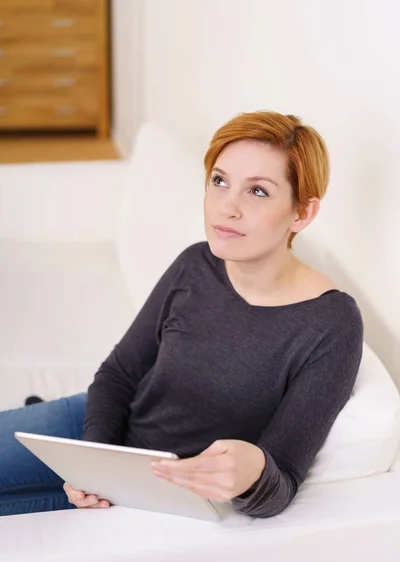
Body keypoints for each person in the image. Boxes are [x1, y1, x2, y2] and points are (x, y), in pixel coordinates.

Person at [0, 111, 363, 518]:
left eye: (258, 191)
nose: (227, 207)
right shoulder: (197, 264)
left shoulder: (331, 324)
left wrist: (255, 470)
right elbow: (119, 374)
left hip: (154, 493)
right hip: (95, 430)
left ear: (303, 213)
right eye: (219, 181)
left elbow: (281, 482)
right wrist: (93, 460)